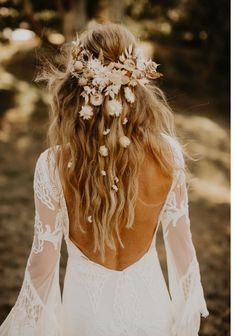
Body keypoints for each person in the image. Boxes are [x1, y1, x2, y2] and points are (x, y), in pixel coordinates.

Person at [0, 22, 209, 335]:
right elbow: (182, 249)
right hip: (151, 313)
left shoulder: (54, 164)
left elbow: (43, 264)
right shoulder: (167, 155)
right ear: (136, 80)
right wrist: (187, 316)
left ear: (78, 85)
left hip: (84, 317)